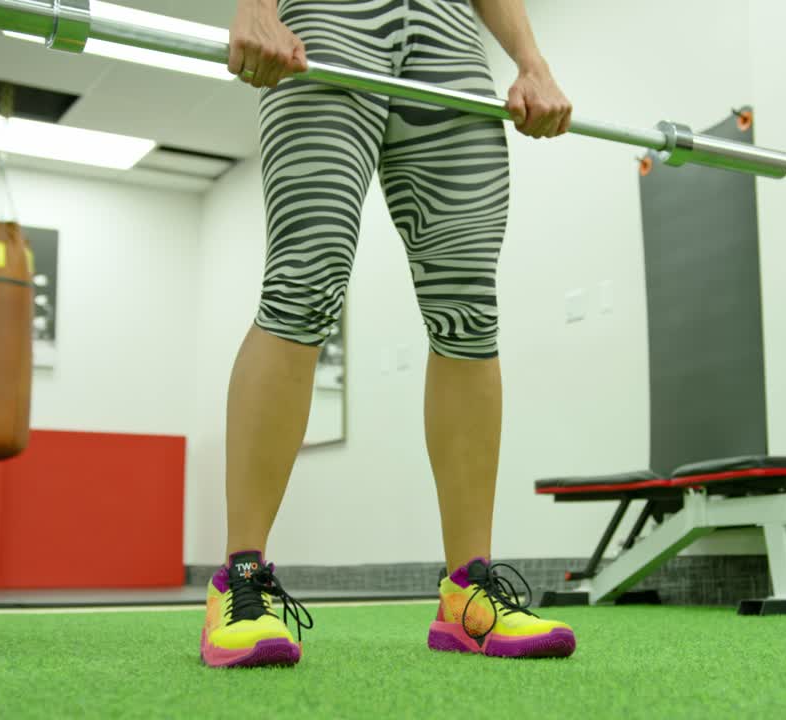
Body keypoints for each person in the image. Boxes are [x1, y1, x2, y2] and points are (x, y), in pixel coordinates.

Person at [201, 0, 576, 669]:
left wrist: (530, 59)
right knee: (304, 284)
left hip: (449, 38)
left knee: (469, 311)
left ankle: (468, 592)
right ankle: (241, 579)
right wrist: (256, 7)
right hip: (331, 21)